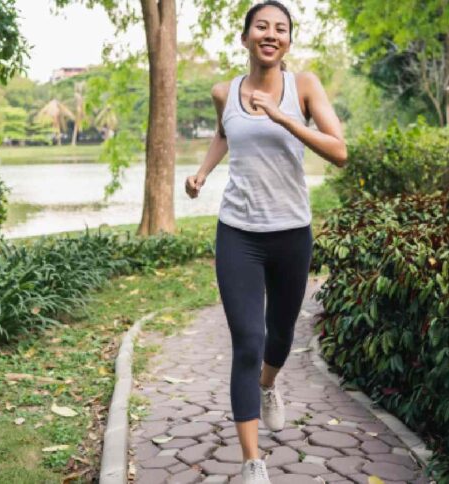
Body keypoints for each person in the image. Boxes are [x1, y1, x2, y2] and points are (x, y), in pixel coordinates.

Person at [184, 1, 347, 482]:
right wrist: (201, 172)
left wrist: (283, 117)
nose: (271, 34)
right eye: (262, 26)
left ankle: (270, 386)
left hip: (291, 232)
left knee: (280, 333)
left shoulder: (305, 87)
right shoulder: (225, 91)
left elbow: (339, 151)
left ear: (288, 42)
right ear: (246, 37)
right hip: (238, 232)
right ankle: (253, 461)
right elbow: (224, 134)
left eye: (281, 28)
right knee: (248, 342)